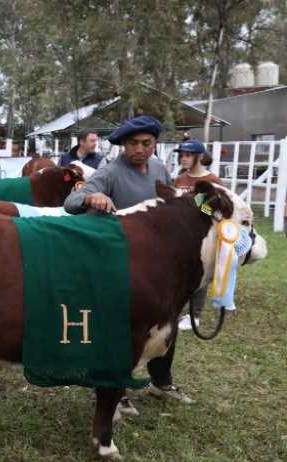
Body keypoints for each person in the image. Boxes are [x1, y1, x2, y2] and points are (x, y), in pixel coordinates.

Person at [63, 115, 194, 407]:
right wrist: (91, 197)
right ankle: (117, 392)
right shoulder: (109, 172)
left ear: (155, 144)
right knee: (124, 331)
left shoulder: (160, 168)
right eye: (133, 143)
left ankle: (161, 382)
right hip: (122, 266)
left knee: (166, 322)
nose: (139, 149)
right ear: (123, 145)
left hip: (158, 264)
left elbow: (170, 205)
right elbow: (70, 202)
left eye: (146, 143)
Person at [172, 139, 223, 331]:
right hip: (178, 234)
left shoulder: (213, 181)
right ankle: (176, 310)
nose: (183, 159)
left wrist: (199, 206)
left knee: (199, 274)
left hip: (203, 236)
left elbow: (219, 212)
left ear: (199, 156)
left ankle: (195, 315)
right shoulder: (179, 179)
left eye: (188, 155)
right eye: (181, 155)